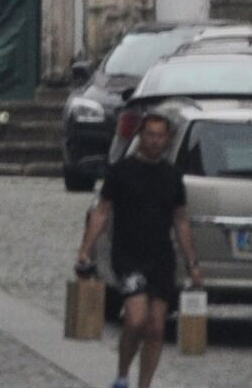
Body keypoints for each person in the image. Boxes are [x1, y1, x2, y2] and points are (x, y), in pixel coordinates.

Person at [78, 105, 197, 388]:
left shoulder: (172, 176)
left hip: (161, 257)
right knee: (135, 320)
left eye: (160, 136)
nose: (155, 141)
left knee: (156, 327)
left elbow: (180, 220)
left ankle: (144, 384)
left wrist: (192, 263)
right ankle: (122, 375)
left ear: (167, 140)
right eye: (150, 135)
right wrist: (86, 248)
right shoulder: (122, 171)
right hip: (128, 255)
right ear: (141, 137)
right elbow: (102, 211)